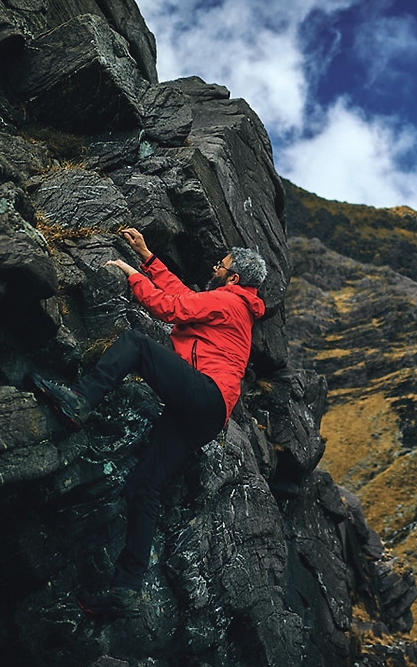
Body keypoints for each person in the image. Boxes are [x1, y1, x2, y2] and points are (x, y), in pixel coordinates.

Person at [29, 227, 267, 618]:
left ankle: (79, 401)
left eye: (221, 264)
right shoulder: (232, 301)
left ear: (233, 277)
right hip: (207, 414)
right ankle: (127, 589)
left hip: (206, 395)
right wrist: (148, 257)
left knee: (137, 344)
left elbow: (169, 309)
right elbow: (188, 299)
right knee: (145, 486)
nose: (214, 266)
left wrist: (132, 274)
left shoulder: (230, 302)